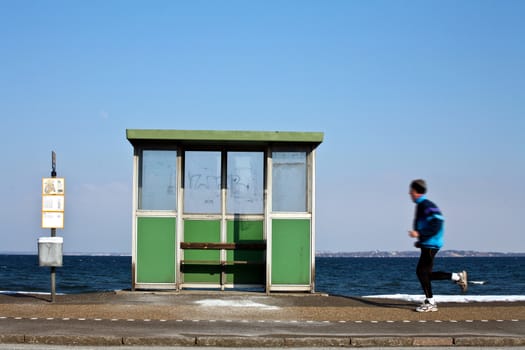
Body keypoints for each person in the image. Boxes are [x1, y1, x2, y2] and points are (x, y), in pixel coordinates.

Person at [408, 179, 468, 312]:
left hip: (432, 243)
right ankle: (456, 277)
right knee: (425, 274)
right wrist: (420, 239)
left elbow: (438, 222)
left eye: (411, 191)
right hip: (428, 243)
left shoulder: (426, 204)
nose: (409, 193)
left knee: (422, 273)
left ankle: (431, 302)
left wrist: (420, 233)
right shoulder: (421, 205)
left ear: (416, 192)